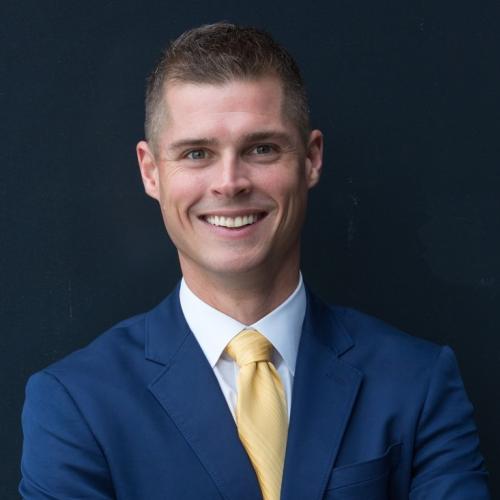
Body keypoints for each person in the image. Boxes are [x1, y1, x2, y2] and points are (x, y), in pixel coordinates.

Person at [19, 22, 489, 499]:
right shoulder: (75, 403)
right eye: (197, 153)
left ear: (311, 159)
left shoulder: (417, 381)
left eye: (261, 148)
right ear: (151, 171)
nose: (229, 183)